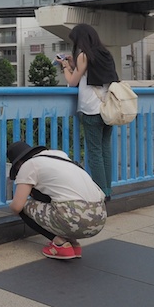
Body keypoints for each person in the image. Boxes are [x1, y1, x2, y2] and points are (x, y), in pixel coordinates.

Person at [7, 141, 107, 259]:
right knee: (57, 201)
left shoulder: (29, 165)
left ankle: (60, 245)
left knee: (23, 206)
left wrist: (12, 209)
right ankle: (74, 244)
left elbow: (17, 206)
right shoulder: (60, 157)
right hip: (100, 218)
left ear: (18, 164)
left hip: (75, 218)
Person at [58, 23, 119, 199]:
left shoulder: (84, 55)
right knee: (105, 149)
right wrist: (74, 63)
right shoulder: (105, 54)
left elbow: (72, 81)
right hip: (108, 109)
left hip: (91, 110)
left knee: (94, 152)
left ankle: (100, 192)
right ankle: (107, 189)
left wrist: (65, 66)